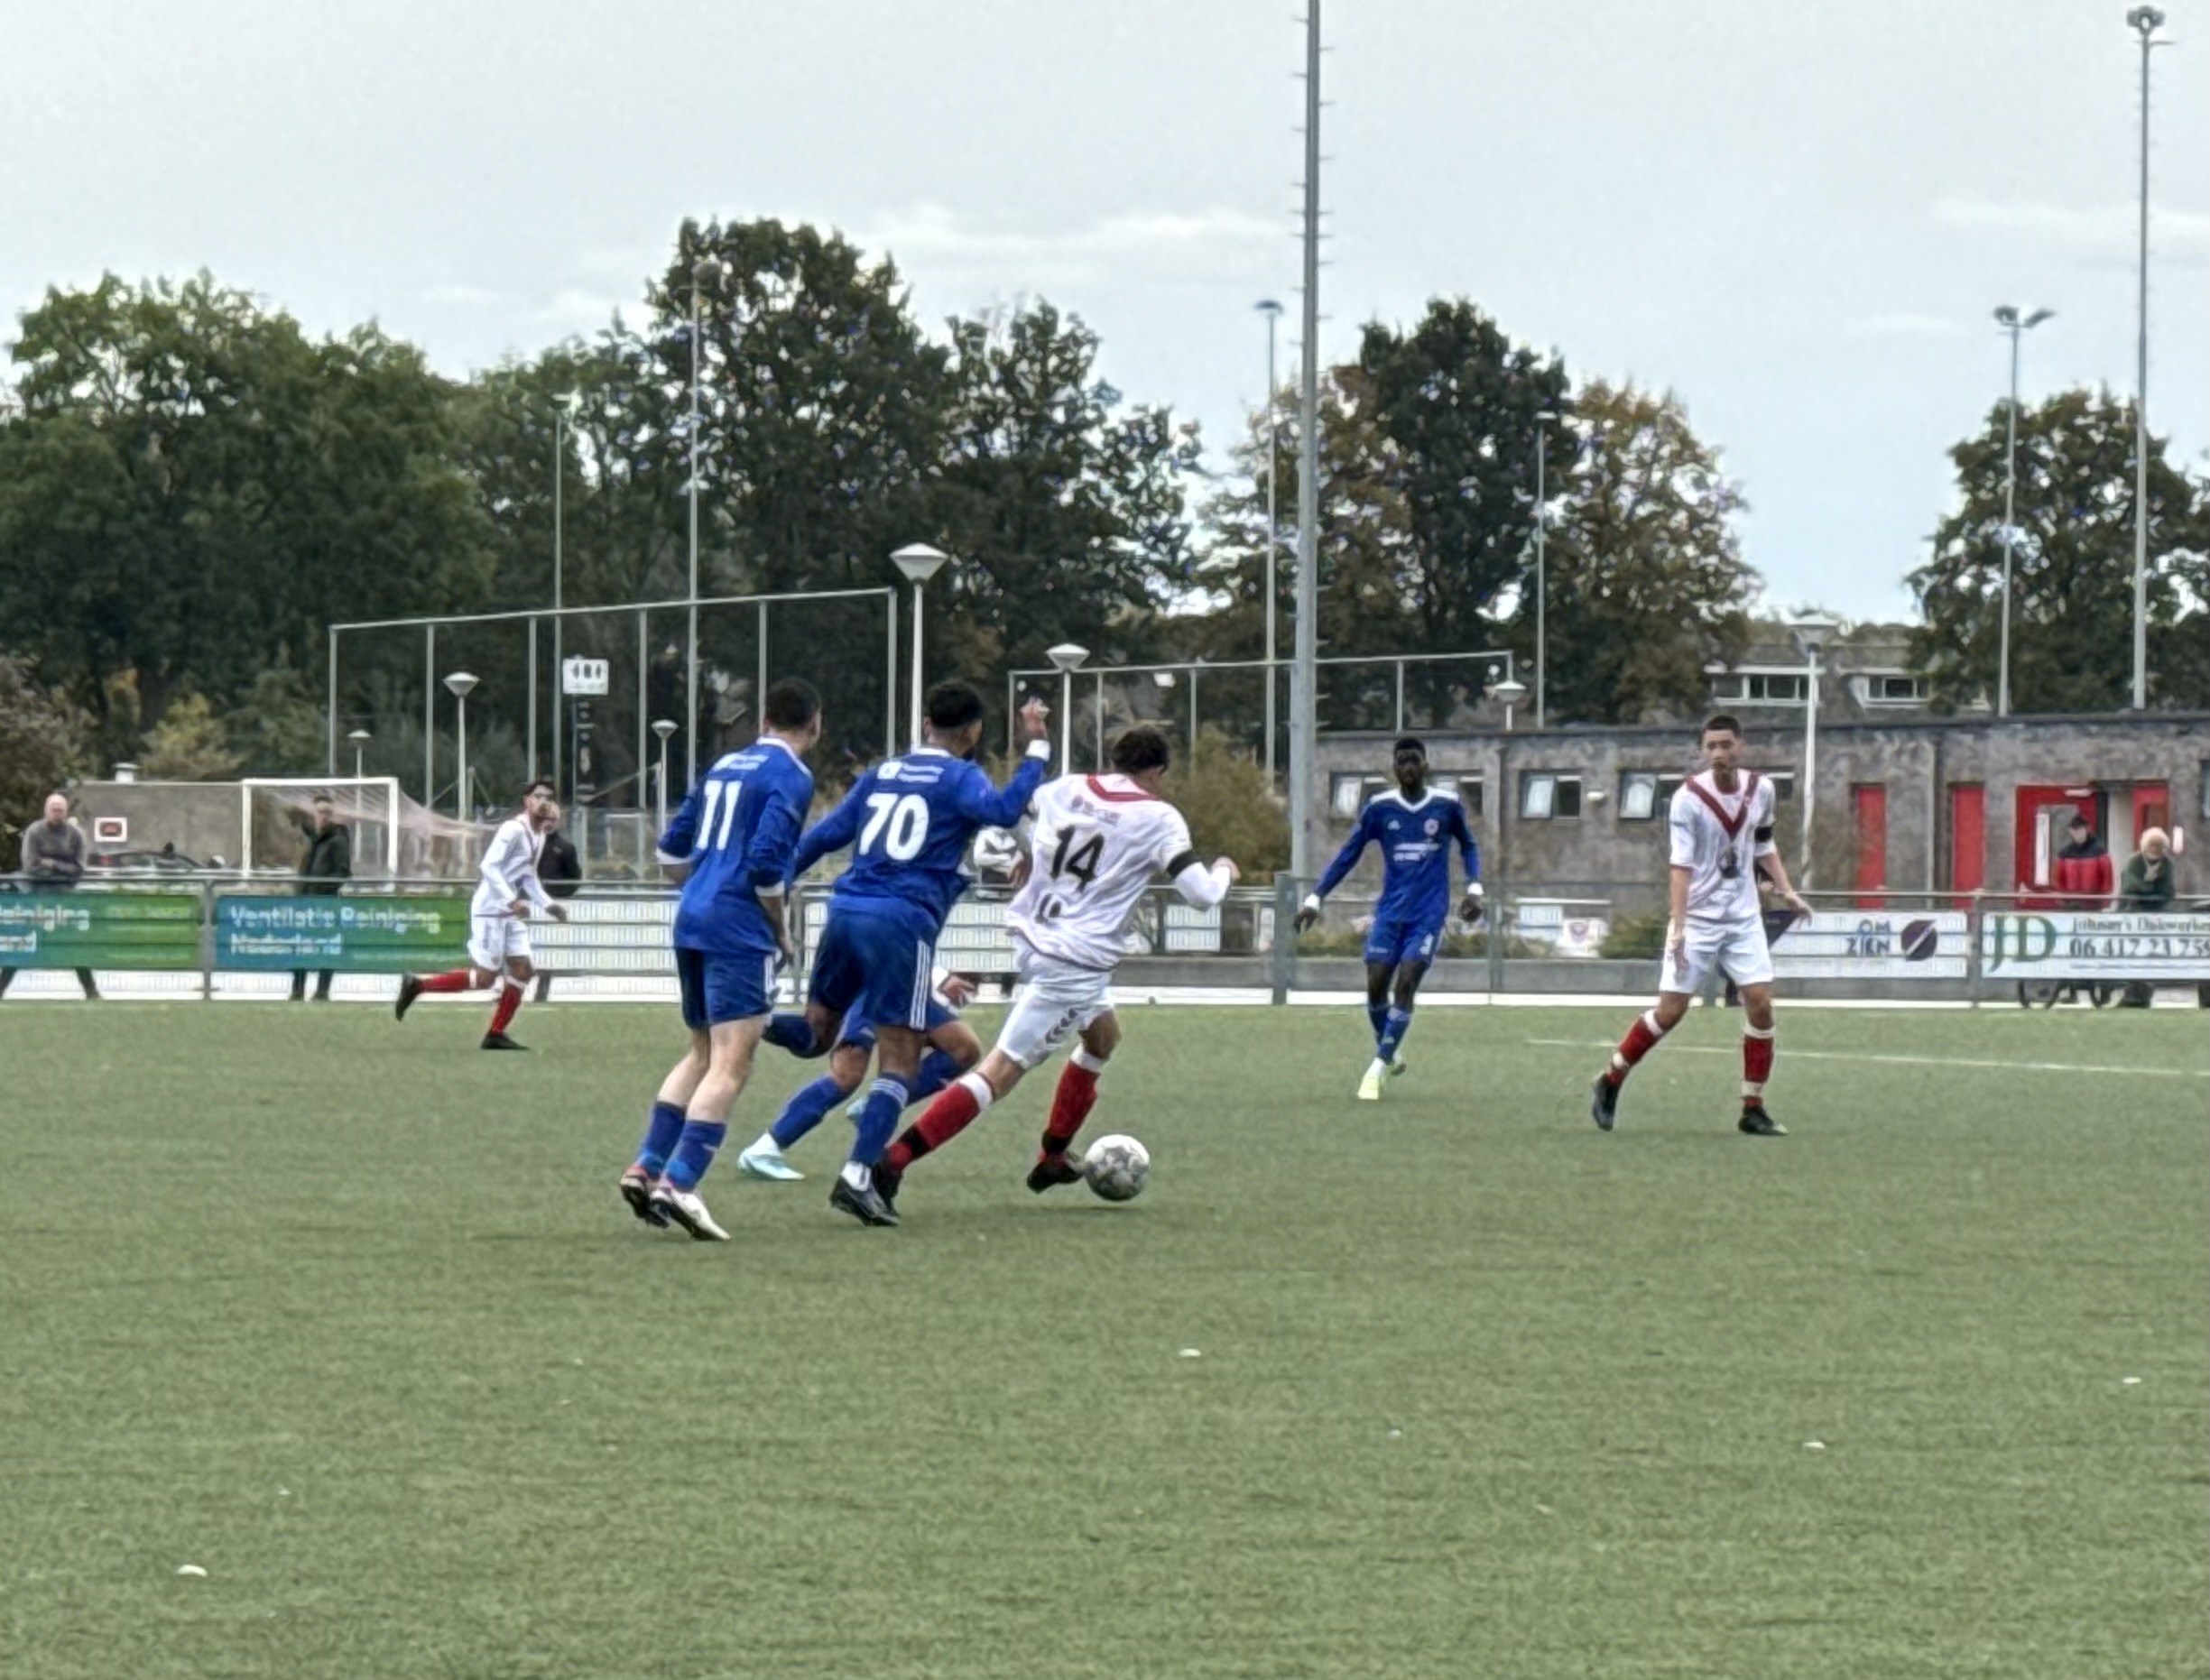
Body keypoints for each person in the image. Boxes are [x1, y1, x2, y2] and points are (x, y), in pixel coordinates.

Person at [874, 725, 1238, 1215]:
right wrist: (1225, 872)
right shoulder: (1158, 816)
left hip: (1034, 934)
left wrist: (1029, 852)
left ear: (1114, 759)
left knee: (1103, 1037)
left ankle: (1052, 1156)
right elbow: (1201, 896)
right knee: (999, 1072)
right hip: (1073, 961)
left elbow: (1013, 817)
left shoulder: (1067, 787)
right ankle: (892, 1162)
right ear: (1157, 772)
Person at [781, 681, 1053, 1227]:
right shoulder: (960, 778)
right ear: (973, 730)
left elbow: (828, 834)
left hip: (846, 909)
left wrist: (776, 877)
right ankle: (858, 1176)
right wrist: (1037, 749)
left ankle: (748, 1019)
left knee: (815, 1034)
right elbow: (1003, 811)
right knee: (900, 1061)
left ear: (926, 720)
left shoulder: (882, 772)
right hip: (901, 922)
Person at [616, 678, 823, 1241]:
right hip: (737, 927)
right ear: (815, 723)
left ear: (763, 719)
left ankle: (646, 1166)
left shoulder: (725, 765)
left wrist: (704, 885)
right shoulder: (792, 777)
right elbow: (764, 866)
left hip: (692, 917)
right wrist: (780, 930)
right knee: (734, 1059)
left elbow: (668, 853)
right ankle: (680, 1183)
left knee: (703, 1049)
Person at [1589, 715, 1810, 1136]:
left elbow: (1763, 843)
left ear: (1740, 745)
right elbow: (1680, 866)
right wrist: (1679, 924)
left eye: (1726, 745)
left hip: (1742, 916)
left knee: (1760, 1002)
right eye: (1711, 747)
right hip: (1700, 919)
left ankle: (1752, 1107)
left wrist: (1786, 890)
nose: (1719, 754)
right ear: (1702, 751)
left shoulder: (1761, 789)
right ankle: (1611, 1078)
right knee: (1671, 1011)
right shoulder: (1687, 799)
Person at [1292, 737, 1482, 1100]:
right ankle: (1390, 1053)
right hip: (1390, 912)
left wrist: (1475, 888)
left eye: (1414, 760)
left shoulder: (1446, 805)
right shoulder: (1380, 808)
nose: (1408, 767)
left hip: (1427, 913)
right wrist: (1315, 897)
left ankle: (1377, 1066)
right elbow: (1348, 854)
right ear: (1394, 768)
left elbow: (1469, 845)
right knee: (1375, 988)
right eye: (1401, 761)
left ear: (1426, 765)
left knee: (1406, 984)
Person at [732, 973, 984, 1182]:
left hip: (897, 981)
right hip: (886, 979)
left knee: (962, 1049)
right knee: (846, 1072)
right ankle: (765, 1148)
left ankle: (871, 1107)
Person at [393, 780, 569, 1049]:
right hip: (490, 909)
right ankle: (418, 986)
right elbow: (488, 866)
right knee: (486, 978)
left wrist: (548, 904)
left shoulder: (539, 834)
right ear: (526, 800)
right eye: (538, 795)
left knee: (523, 970)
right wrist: (511, 900)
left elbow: (527, 875)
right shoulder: (513, 829)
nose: (544, 800)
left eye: (549, 796)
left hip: (508, 912)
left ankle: (495, 1034)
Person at [0, 792, 101, 1001]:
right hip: (36, 896)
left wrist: (52, 864)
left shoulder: (76, 835)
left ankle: (91, 991)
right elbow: (31, 867)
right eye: (54, 809)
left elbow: (79, 869)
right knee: (22, 943)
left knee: (74, 944)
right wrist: (63, 870)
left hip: (66, 898)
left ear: (66, 812)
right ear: (46, 810)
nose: (57, 813)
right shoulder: (34, 832)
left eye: (61, 809)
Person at [289, 795, 352, 1002]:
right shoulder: (306, 836)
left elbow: (343, 872)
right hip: (302, 900)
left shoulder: (338, 839)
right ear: (313, 812)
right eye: (321, 811)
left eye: (328, 812)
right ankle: (297, 991)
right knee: (299, 947)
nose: (324, 816)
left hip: (325, 902)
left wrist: (321, 886)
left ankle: (322, 991)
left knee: (326, 946)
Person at [2117, 826, 2177, 1008]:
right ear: (2145, 845)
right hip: (2132, 915)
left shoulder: (2167, 864)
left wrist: (2146, 889)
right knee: (2132, 953)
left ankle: (2144, 992)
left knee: (2151, 956)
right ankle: (2132, 992)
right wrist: (2149, 884)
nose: (2155, 849)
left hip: (2156, 917)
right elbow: (2128, 887)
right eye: (2152, 845)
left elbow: (2168, 891)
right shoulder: (2134, 862)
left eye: (2159, 846)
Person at [531, 822, 583, 1002]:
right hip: (528, 903)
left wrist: (558, 897)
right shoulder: (529, 844)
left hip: (552, 905)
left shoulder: (565, 848)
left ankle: (543, 987)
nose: (547, 822)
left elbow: (575, 878)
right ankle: (511, 987)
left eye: (551, 818)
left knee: (547, 949)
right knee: (521, 947)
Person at [2052, 811, 2114, 908]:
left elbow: (2106, 880)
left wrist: (2104, 902)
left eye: (2079, 829)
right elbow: (2059, 881)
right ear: (2070, 831)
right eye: (2073, 829)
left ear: (2087, 829)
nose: (2076, 832)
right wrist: (2061, 900)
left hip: (2094, 905)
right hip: (2070, 904)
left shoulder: (2100, 852)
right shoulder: (2064, 854)